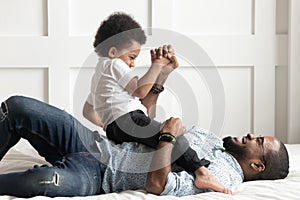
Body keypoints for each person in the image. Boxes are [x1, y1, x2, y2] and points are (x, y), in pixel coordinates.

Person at [0, 96, 289, 197]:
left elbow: (156, 185)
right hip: (95, 143)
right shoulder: (214, 141)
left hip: (97, 177)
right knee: (17, 107)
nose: (251, 135)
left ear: (257, 166)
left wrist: (170, 138)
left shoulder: (222, 177)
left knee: (42, 181)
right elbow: (146, 127)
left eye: (259, 141)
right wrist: (159, 80)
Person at [83, 12, 229, 193]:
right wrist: (157, 65)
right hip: (128, 119)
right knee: (170, 135)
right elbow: (140, 90)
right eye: (132, 57)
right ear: (113, 52)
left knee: (159, 143)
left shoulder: (99, 75)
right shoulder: (114, 64)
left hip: (117, 127)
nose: (132, 64)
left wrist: (108, 123)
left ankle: (193, 169)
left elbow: (87, 110)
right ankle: (201, 171)